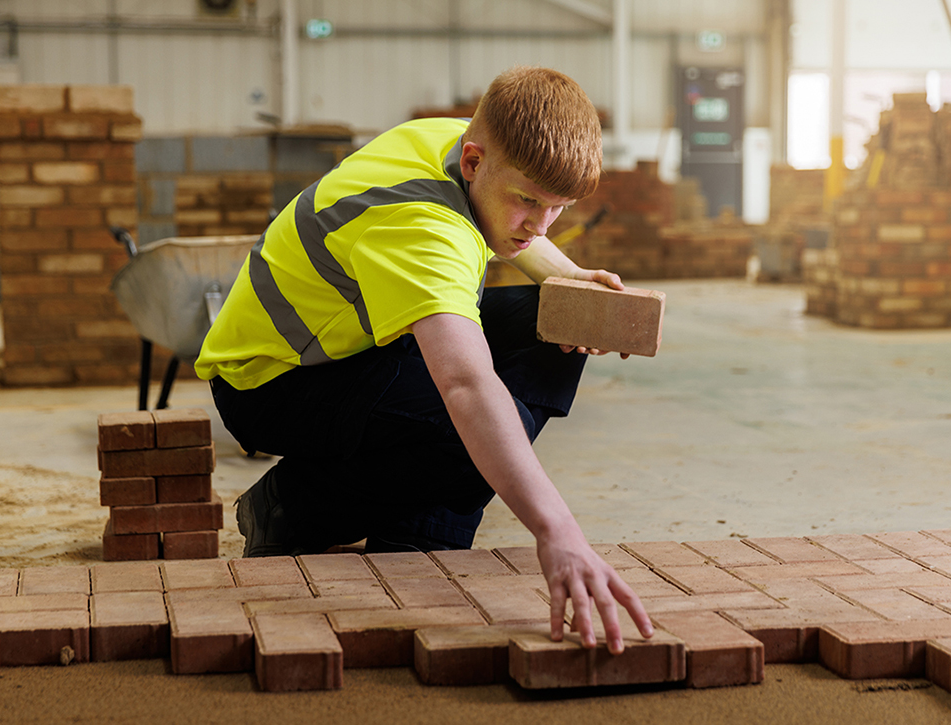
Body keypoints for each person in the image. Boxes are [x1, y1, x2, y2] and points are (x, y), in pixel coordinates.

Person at [195, 66, 653, 653]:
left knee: (558, 325)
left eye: (557, 208)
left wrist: (571, 283)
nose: (540, 226)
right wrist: (557, 531)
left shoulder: (454, 140)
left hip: (356, 348)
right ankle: (293, 508)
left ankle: (417, 537)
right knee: (476, 429)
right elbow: (465, 384)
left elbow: (521, 224)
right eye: (527, 203)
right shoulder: (422, 227)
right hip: (273, 385)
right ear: (473, 163)